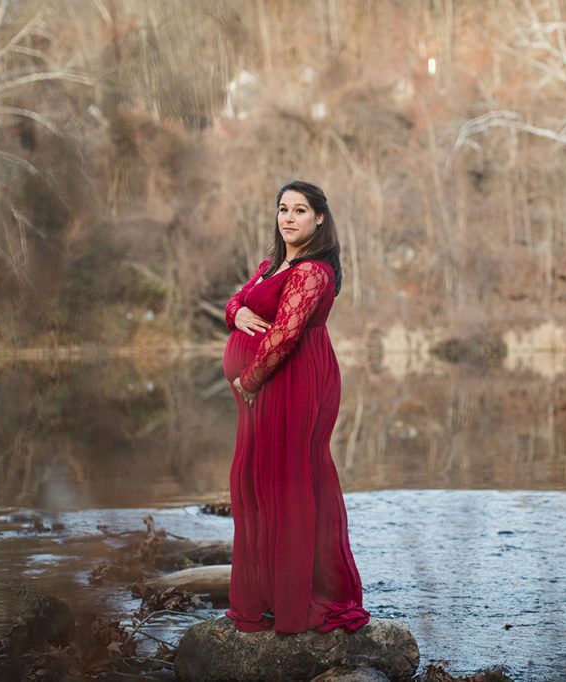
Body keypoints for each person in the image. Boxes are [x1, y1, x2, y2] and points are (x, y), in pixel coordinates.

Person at [221, 180, 371, 635]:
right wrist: (235, 315)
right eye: (283, 209)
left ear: (319, 218)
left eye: (300, 210)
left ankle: (298, 599)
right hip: (267, 389)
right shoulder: (272, 265)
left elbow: (285, 336)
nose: (288, 218)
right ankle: (269, 593)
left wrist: (249, 380)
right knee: (259, 482)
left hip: (293, 381)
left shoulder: (312, 272)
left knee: (291, 483)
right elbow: (237, 300)